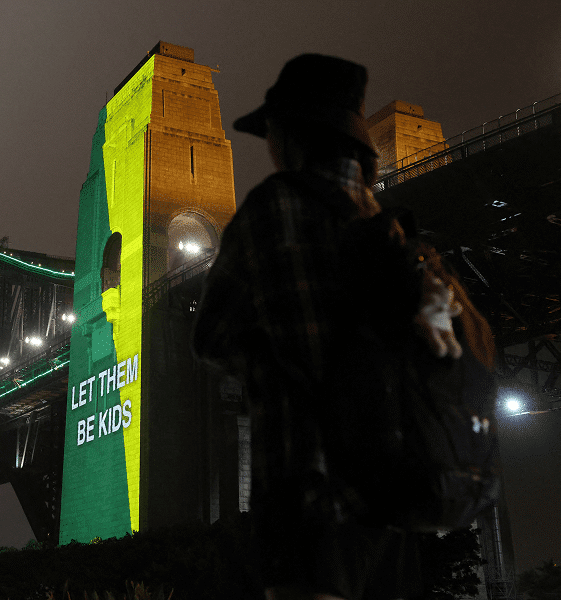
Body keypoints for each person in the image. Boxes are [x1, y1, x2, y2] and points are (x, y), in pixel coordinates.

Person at [193, 54, 422, 600]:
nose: (268, 144)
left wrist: (272, 369)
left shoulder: (273, 206)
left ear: (293, 134)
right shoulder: (390, 226)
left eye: (271, 131)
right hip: (392, 498)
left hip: (303, 487)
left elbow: (211, 335)